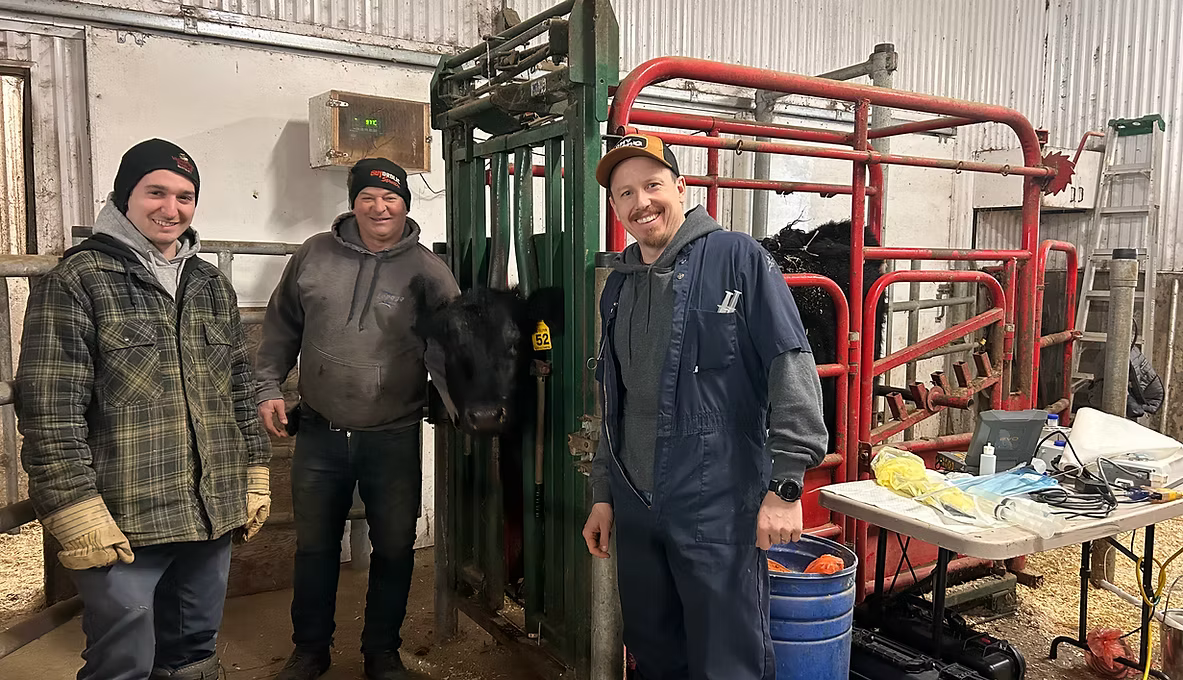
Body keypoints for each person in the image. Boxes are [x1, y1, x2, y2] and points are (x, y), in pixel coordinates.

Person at [16, 138, 272, 680]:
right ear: (125, 195)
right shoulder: (78, 281)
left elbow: (239, 387)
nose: (171, 208)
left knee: (195, 653)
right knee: (123, 661)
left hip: (209, 510)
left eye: (185, 196)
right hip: (123, 519)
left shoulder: (209, 284)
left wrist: (254, 471)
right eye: (156, 191)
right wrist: (75, 510)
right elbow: (49, 411)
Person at [581, 133, 829, 679]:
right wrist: (603, 496)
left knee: (726, 661)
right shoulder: (617, 288)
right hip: (638, 507)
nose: (641, 202)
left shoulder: (736, 258)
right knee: (654, 652)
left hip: (718, 503)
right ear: (616, 207)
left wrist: (787, 485)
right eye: (625, 193)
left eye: (652, 185)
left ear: (681, 187)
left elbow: (791, 363)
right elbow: (612, 405)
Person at [255, 157, 459, 680]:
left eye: (390, 197)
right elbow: (281, 326)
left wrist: (459, 410)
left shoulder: (429, 273)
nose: (379, 206)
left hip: (393, 435)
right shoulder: (312, 256)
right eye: (368, 196)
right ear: (353, 202)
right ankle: (310, 650)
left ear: (405, 204)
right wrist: (266, 385)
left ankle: (381, 653)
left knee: (394, 547)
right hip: (321, 431)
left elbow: (452, 352)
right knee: (316, 545)